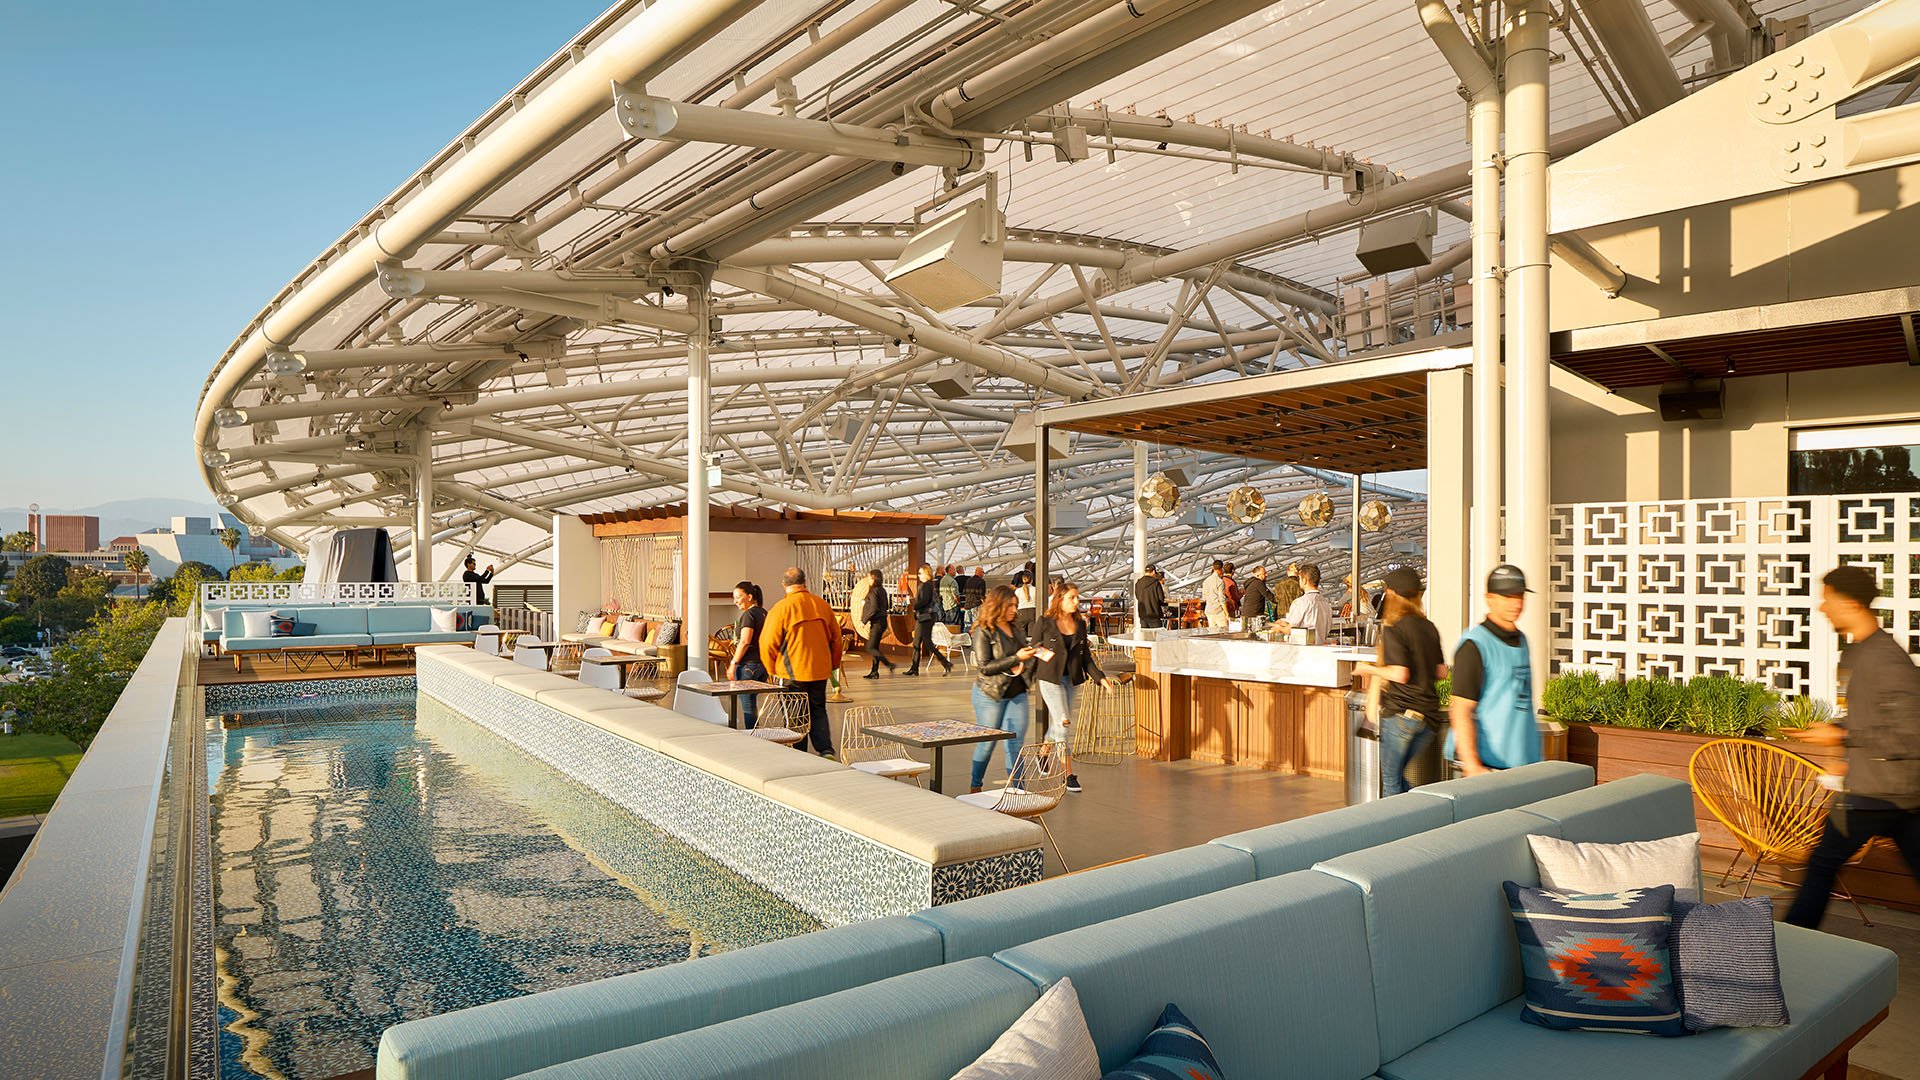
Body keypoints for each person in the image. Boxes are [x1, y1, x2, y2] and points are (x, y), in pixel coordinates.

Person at [1784, 566, 1920, 928]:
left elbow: (1912, 733)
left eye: (1828, 599)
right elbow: (1868, 718)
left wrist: (1843, 737)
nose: (1822, 608)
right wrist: (1836, 737)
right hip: (1883, 790)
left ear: (1851, 603)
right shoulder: (1855, 654)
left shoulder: (1887, 659)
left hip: (1882, 791)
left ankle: (1792, 941)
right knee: (1822, 864)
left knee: (1822, 864)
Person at [1355, 569, 1446, 795]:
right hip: (1429, 717)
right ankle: (1419, 816)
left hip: (1402, 714)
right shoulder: (1429, 627)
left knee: (1391, 780)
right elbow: (1442, 671)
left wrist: (1367, 668)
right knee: (1398, 778)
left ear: (1391, 594)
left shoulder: (1395, 629)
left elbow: (1400, 674)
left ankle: (1398, 827)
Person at [1447, 564, 1539, 775]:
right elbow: (1460, 710)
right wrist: (1473, 766)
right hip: (1485, 767)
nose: (1516, 603)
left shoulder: (1522, 640)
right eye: (1507, 596)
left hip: (1520, 764)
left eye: (1519, 595)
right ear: (1489, 598)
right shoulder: (1474, 646)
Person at [1028, 580, 1114, 793]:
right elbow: (1033, 648)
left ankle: (1044, 752)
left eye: (1077, 597)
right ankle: (1068, 774)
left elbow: (1086, 658)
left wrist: (1100, 678)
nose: (1076, 601)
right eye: (1071, 598)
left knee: (1060, 724)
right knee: (1064, 723)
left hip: (1071, 679)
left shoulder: (1080, 624)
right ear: (1060, 599)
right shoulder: (1045, 621)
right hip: (1050, 679)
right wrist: (1046, 655)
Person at [759, 567, 843, 756]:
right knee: (818, 710)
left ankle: (800, 754)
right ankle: (825, 750)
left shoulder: (781, 608)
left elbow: (767, 643)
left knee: (795, 715)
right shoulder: (822, 605)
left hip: (791, 673)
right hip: (819, 671)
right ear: (805, 583)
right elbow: (836, 639)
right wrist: (833, 666)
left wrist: (771, 669)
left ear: (784, 585)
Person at [969, 585, 1035, 793]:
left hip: (1017, 693)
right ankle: (976, 785)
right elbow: (985, 667)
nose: (1015, 610)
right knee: (987, 744)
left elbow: (1021, 658)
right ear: (998, 605)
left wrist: (1030, 658)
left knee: (1015, 745)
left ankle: (1019, 793)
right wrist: (1016, 658)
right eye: (1010, 606)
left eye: (1016, 605)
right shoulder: (983, 631)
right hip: (990, 694)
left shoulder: (1016, 629)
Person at [726, 582, 769, 727]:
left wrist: (733, 663)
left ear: (749, 597)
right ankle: (755, 733)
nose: (735, 601)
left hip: (748, 665)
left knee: (748, 705)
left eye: (738, 597)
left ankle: (752, 737)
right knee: (751, 703)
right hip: (762, 665)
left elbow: (744, 641)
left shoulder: (749, 615)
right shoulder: (763, 613)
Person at [906, 564, 952, 676]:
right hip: (926, 616)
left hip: (925, 617)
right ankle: (914, 667)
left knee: (926, 642)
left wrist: (915, 606)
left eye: (920, 573)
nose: (918, 575)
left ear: (926, 574)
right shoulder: (929, 585)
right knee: (919, 642)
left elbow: (924, 600)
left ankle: (945, 663)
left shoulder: (926, 586)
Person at [1278, 563, 1332, 643]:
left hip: (1302, 649)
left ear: (1305, 580)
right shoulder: (1326, 603)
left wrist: (1279, 628)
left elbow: (1290, 629)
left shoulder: (1301, 602)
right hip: (1320, 647)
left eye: (1299, 578)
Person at [859, 568, 897, 679]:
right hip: (881, 621)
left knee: (870, 647)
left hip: (877, 622)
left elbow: (874, 608)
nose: (868, 580)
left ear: (874, 578)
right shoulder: (882, 590)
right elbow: (887, 606)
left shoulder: (874, 591)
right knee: (875, 647)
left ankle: (889, 664)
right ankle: (874, 672)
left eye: (869, 577)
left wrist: (863, 620)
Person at [1134, 563, 1167, 629]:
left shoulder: (1138, 583)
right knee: (1155, 636)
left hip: (1143, 614)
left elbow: (1137, 597)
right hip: (1154, 614)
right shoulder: (1156, 583)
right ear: (1154, 572)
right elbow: (1161, 598)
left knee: (1144, 636)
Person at [1202, 560, 1230, 629]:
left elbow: (1204, 598)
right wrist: (1227, 614)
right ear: (1221, 569)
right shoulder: (1220, 581)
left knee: (1213, 633)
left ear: (1213, 568)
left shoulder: (1206, 581)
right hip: (1218, 611)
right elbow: (1222, 599)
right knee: (1224, 632)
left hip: (1209, 610)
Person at [1012, 569, 1039, 636]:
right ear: (1032, 580)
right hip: (1033, 612)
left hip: (1021, 612)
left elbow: (1015, 602)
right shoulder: (1036, 589)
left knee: (1021, 634)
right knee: (1032, 635)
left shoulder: (1018, 591)